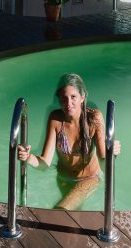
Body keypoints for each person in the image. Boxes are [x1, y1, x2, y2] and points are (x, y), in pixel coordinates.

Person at [17, 73, 121, 210]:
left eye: (73, 97)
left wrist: (112, 154)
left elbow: (103, 164)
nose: (68, 103)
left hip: (89, 179)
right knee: (72, 216)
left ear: (82, 97)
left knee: (60, 211)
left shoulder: (93, 118)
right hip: (63, 180)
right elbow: (45, 163)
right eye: (64, 98)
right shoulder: (55, 119)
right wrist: (28, 157)